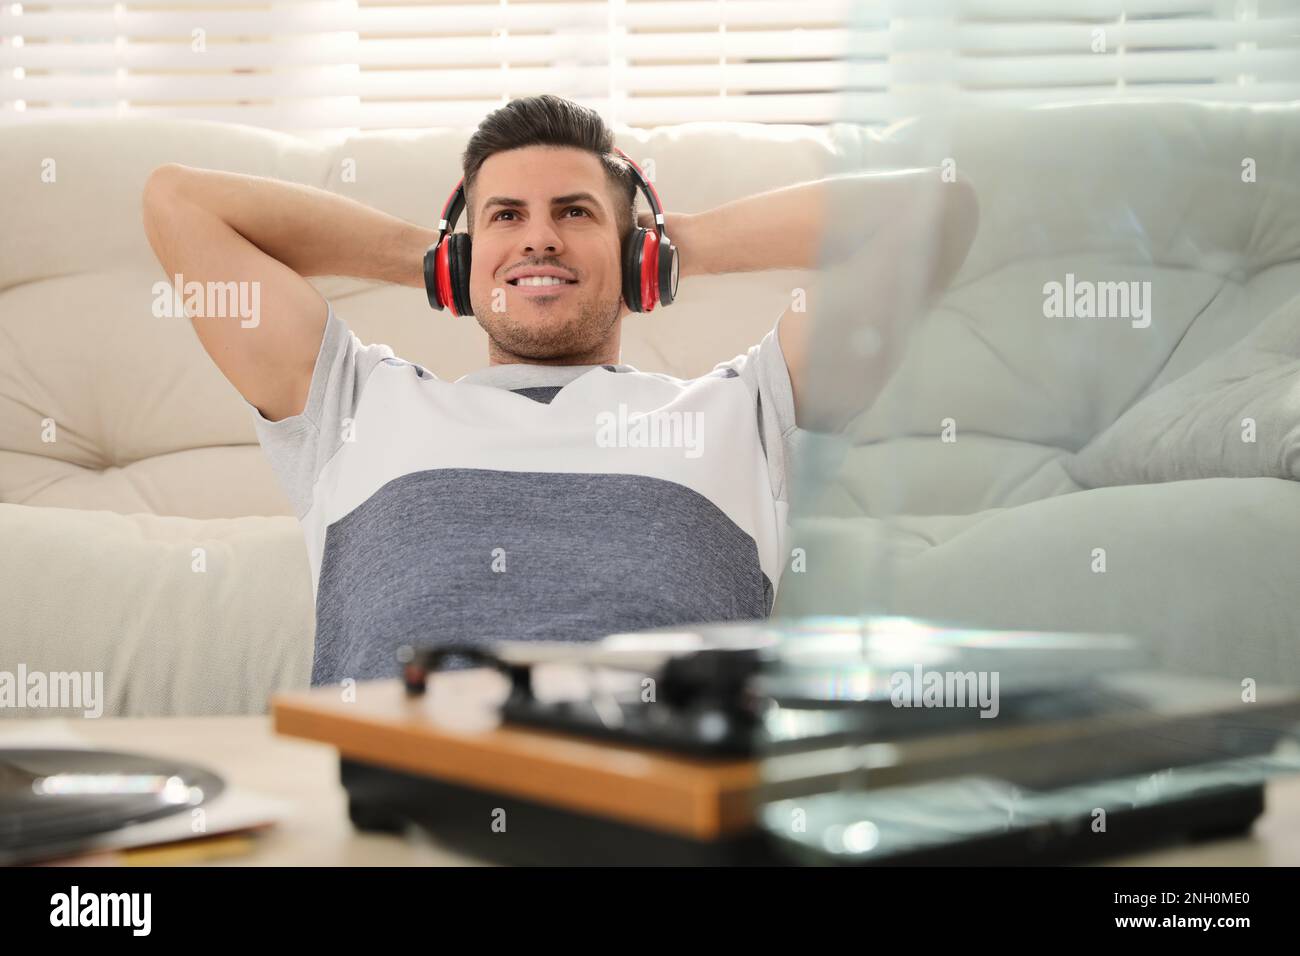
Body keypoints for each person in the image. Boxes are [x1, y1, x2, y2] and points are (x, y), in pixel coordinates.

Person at [142, 93, 978, 685]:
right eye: (505, 216)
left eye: (575, 213)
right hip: (400, 820)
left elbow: (934, 213)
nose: (539, 235)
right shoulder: (353, 406)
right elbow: (178, 201)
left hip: (654, 822)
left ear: (634, 252)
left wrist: (676, 243)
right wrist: (437, 260)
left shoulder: (745, 412)